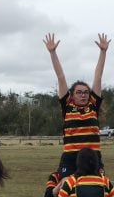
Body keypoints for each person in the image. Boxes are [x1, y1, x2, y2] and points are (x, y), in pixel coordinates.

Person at [44, 32, 109, 177]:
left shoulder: (93, 104)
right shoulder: (67, 105)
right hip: (71, 157)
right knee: (64, 191)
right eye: (79, 92)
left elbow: (98, 76)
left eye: (86, 92)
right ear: (72, 95)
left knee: (97, 191)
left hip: (92, 157)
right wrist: (53, 53)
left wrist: (103, 52)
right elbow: (60, 77)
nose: (83, 95)